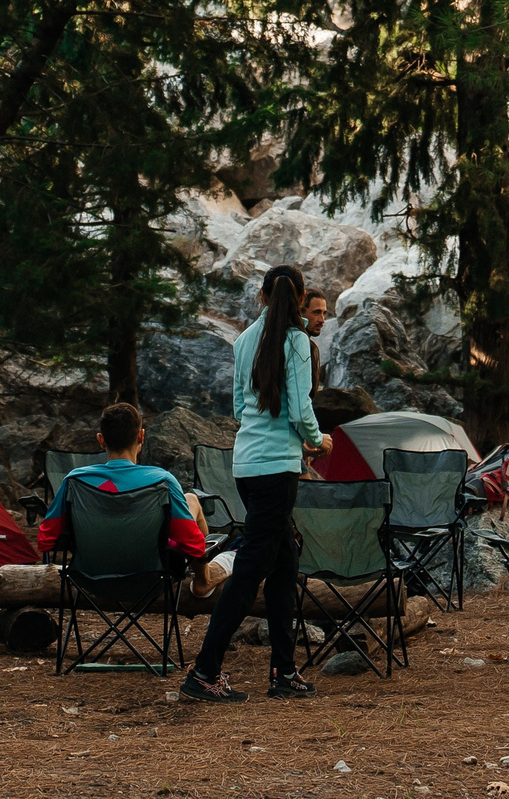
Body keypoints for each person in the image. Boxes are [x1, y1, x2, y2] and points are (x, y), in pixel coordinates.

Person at [183, 265, 329, 704]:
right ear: (300, 300)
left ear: (261, 297)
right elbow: (301, 407)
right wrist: (317, 440)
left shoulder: (244, 339)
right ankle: (205, 671)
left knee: (284, 566)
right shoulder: (298, 342)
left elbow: (238, 406)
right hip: (278, 468)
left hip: (246, 465)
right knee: (249, 572)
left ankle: (284, 671)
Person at [38, 402, 209, 558]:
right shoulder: (162, 481)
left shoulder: (75, 480)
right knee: (191, 499)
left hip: (89, 577)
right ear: (141, 437)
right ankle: (202, 581)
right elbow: (194, 545)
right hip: (149, 579)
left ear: (101, 440)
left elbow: (46, 540)